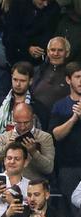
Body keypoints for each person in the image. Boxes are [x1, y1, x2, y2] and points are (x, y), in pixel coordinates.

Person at [0, 103, 55, 183]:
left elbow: (49, 168)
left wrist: (34, 152)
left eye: (26, 122)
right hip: (10, 185)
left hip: (34, 186)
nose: (22, 127)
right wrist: (7, 147)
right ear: (13, 119)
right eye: (18, 122)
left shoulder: (45, 137)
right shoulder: (5, 137)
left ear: (33, 118)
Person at [49, 63, 81, 207]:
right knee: (70, 209)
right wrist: (74, 118)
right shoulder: (59, 106)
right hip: (68, 167)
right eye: (78, 77)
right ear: (68, 80)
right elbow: (55, 135)